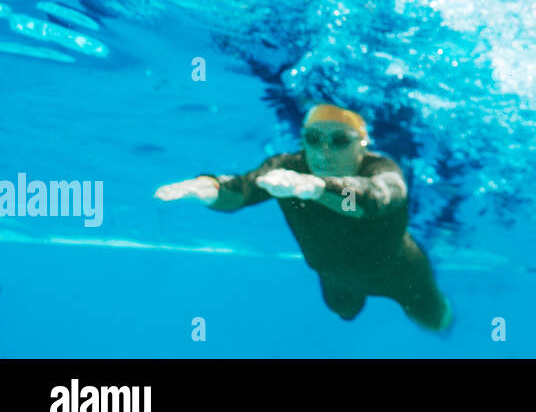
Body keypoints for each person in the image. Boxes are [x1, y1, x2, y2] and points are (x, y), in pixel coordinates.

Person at [154, 104, 452, 332]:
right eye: (313, 138)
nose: (323, 151)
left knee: (434, 321)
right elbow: (241, 190)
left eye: (339, 140)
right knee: (344, 313)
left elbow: (372, 199)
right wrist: (201, 188)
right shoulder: (288, 167)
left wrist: (318, 188)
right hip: (336, 280)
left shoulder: (381, 169)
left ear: (362, 144)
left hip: (402, 275)